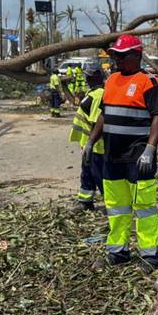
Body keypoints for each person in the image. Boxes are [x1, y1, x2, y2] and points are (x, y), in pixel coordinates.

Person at [86, 34, 158, 269]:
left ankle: (150, 254)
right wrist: (91, 142)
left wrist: (150, 149)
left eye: (122, 56)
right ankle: (118, 251)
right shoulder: (111, 81)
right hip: (112, 156)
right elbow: (104, 115)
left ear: (137, 56)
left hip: (137, 156)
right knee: (116, 207)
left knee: (144, 207)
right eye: (115, 56)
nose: (117, 61)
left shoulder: (149, 82)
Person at [69, 69, 106, 211]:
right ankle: (85, 202)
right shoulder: (93, 94)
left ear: (92, 79)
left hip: (97, 146)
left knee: (100, 176)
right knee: (87, 174)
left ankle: (113, 205)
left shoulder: (98, 96)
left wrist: (91, 142)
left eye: (88, 76)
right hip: (89, 145)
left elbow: (97, 122)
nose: (86, 79)